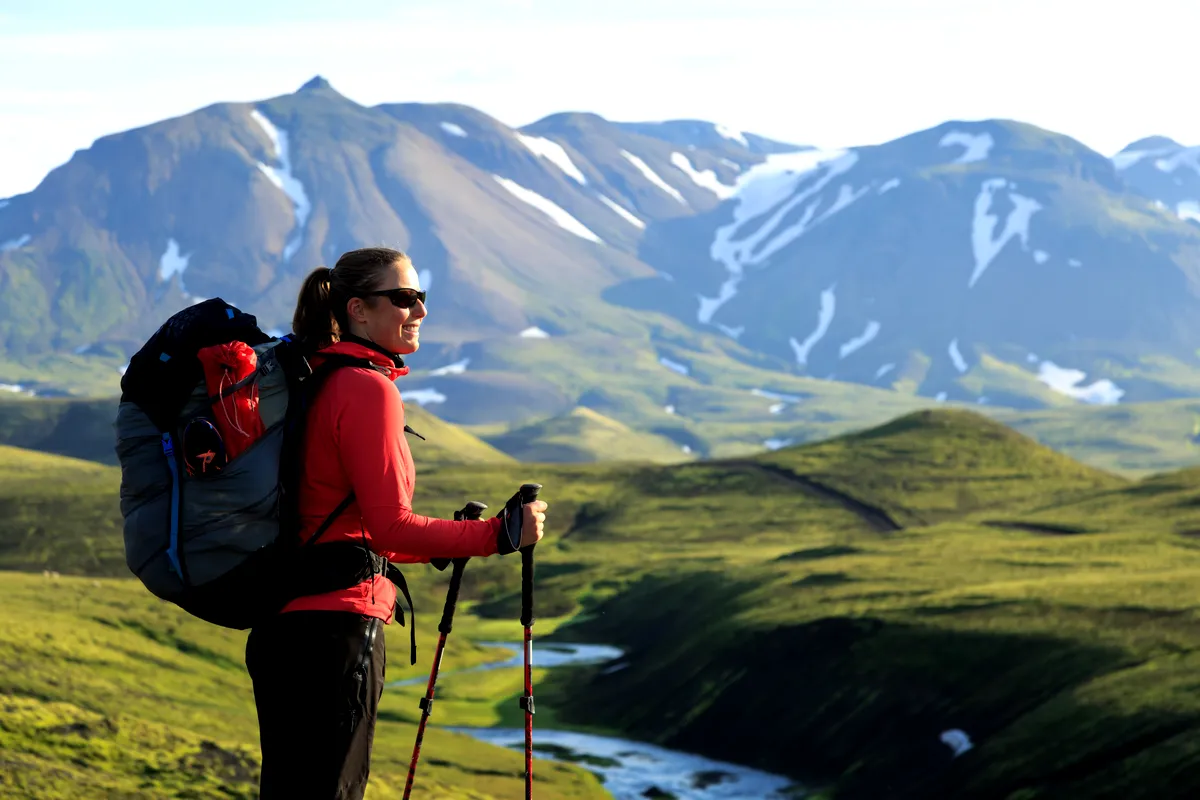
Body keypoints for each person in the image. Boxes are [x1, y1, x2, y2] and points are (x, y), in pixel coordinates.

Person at [244, 246, 547, 799]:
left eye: (420, 297)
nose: (420, 311)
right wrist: (498, 535)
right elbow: (390, 529)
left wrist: (445, 543)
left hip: (285, 630)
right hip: (337, 634)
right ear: (358, 309)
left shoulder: (319, 380)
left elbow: (346, 528)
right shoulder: (366, 388)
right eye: (405, 298)